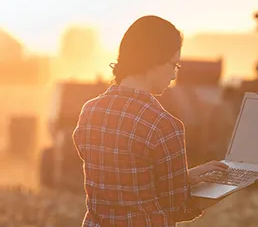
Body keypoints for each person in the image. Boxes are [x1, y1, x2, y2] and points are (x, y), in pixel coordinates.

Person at [72, 15, 229, 227]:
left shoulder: (89, 112)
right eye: (175, 65)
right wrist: (225, 188)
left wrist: (186, 177)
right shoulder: (163, 125)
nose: (174, 75)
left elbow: (126, 181)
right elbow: (179, 209)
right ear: (155, 60)